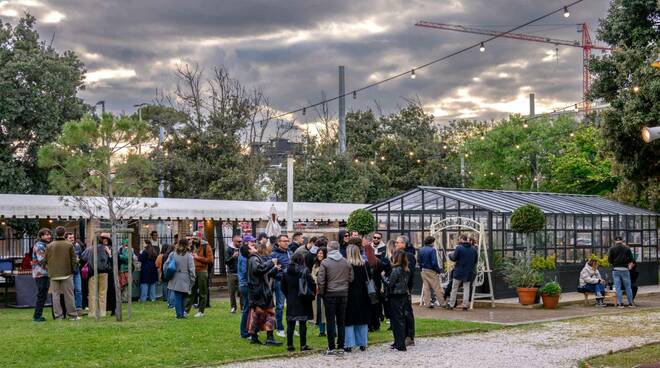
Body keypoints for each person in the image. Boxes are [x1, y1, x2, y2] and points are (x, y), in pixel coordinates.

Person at [317, 240, 353, 356]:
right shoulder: (346, 262)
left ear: (329, 249)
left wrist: (322, 293)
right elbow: (351, 278)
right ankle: (341, 346)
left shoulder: (325, 263)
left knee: (330, 321)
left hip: (330, 294)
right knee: (341, 321)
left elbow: (321, 280)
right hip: (343, 294)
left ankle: (331, 347)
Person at [247, 243, 282, 346]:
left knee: (259, 315)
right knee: (267, 314)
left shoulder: (256, 258)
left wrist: (275, 269)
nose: (255, 247)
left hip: (260, 292)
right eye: (252, 246)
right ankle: (268, 338)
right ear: (249, 251)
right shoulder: (254, 259)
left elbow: (264, 273)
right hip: (260, 292)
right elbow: (260, 270)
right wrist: (271, 262)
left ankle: (255, 337)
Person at [282, 252, 315, 352]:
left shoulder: (285, 271)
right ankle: (303, 345)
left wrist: (288, 295)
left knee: (290, 323)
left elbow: (282, 286)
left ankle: (290, 345)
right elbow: (311, 283)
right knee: (302, 323)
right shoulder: (304, 270)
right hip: (302, 298)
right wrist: (312, 292)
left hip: (291, 298)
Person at [45, 226, 80, 320]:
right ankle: (72, 315)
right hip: (67, 273)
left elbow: (45, 260)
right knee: (69, 295)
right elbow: (73, 259)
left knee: (55, 296)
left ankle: (58, 316)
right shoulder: (69, 245)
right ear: (64, 234)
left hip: (53, 274)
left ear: (55, 233)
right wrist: (74, 270)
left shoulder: (49, 245)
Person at [344, 244, 371, 352]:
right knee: (362, 318)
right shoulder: (365, 265)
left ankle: (349, 343)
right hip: (363, 294)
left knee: (349, 319)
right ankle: (363, 342)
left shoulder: (346, 265)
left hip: (350, 294)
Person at [385, 250, 410, 352]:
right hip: (403, 295)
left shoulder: (396, 270)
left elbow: (389, 284)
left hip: (395, 296)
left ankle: (400, 344)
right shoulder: (406, 269)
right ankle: (398, 342)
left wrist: (382, 276)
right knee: (400, 319)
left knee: (397, 321)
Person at [82, 233, 112, 317]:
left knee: (92, 293)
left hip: (92, 273)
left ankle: (92, 313)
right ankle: (102, 312)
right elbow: (110, 259)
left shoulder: (90, 249)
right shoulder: (106, 248)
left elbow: (83, 257)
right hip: (104, 272)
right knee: (102, 293)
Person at [394, 235, 416, 345]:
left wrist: (407, 287)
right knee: (401, 313)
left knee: (407, 312)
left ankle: (409, 335)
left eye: (398, 242)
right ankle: (402, 334)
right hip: (399, 288)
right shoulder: (398, 254)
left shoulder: (409, 256)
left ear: (404, 244)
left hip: (405, 288)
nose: (396, 244)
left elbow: (409, 273)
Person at [447, 234, 478, 311]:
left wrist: (449, 255)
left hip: (459, 272)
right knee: (466, 288)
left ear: (461, 239)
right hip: (469, 272)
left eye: (459, 239)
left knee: (454, 288)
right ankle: (465, 305)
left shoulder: (459, 248)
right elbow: (475, 261)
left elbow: (453, 258)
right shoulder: (474, 249)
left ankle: (451, 304)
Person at [167, 239, 196, 319]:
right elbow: (192, 270)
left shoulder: (173, 254)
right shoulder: (189, 256)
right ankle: (182, 314)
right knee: (184, 297)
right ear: (187, 245)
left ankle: (178, 314)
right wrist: (192, 280)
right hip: (185, 278)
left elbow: (167, 265)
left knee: (177, 297)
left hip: (175, 277)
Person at [186, 233, 213, 317]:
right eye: (193, 238)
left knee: (202, 292)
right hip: (193, 271)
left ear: (200, 238)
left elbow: (210, 260)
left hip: (202, 271)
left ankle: (201, 311)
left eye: (195, 238)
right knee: (191, 292)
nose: (193, 240)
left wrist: (198, 258)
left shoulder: (206, 247)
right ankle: (186, 311)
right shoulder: (191, 246)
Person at [270, 234, 291, 337]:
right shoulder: (274, 254)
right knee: (280, 306)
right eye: (284, 241)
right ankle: (279, 328)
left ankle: (290, 328)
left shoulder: (290, 252)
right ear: (279, 242)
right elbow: (272, 271)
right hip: (280, 282)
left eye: (287, 240)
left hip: (291, 283)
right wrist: (282, 271)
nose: (286, 242)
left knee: (291, 306)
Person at [608, 236, 635, 308]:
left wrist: (614, 263)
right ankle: (630, 303)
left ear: (615, 241)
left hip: (616, 270)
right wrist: (627, 263)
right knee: (628, 287)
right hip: (625, 270)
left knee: (618, 287)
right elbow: (631, 259)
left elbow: (609, 260)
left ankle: (620, 304)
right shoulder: (627, 248)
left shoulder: (612, 249)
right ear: (622, 241)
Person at [31, 228, 51, 322]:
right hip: (41, 273)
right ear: (41, 236)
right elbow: (42, 261)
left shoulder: (45, 245)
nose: (49, 236)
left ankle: (38, 315)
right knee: (41, 295)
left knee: (42, 295)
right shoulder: (40, 246)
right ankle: (37, 316)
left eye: (49, 234)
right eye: (46, 235)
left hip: (44, 273)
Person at [418, 236, 443, 308]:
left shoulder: (421, 249)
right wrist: (438, 271)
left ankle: (427, 303)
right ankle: (442, 303)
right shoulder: (432, 250)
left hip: (423, 270)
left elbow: (419, 261)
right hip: (431, 270)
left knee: (426, 287)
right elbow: (434, 263)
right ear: (432, 242)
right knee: (437, 287)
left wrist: (421, 268)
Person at [238, 240, 254, 339]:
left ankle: (247, 330)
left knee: (247, 308)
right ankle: (244, 332)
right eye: (251, 245)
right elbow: (245, 271)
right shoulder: (244, 258)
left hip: (243, 284)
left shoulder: (241, 256)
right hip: (246, 285)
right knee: (247, 309)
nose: (253, 246)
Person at [311, 246, 327, 337]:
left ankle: (330, 330)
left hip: (325, 290)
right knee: (319, 311)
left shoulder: (327, 264)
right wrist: (316, 279)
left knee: (325, 311)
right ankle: (321, 331)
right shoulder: (315, 265)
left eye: (321, 253)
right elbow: (312, 275)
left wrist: (317, 279)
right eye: (318, 253)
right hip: (317, 291)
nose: (319, 255)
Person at [65, 232, 84, 312]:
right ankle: (70, 308)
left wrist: (78, 260)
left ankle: (79, 307)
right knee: (70, 291)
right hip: (68, 271)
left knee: (78, 290)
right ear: (66, 238)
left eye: (73, 237)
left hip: (76, 270)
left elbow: (81, 256)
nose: (72, 239)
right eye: (70, 238)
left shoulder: (77, 246)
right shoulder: (65, 247)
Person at [225, 234, 242, 314]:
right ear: (234, 241)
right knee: (232, 292)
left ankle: (242, 307)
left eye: (241, 241)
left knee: (241, 291)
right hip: (231, 273)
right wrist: (233, 257)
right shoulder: (229, 249)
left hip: (240, 273)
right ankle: (233, 307)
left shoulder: (241, 249)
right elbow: (226, 261)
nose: (240, 243)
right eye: (239, 241)